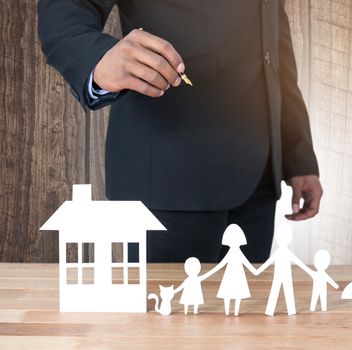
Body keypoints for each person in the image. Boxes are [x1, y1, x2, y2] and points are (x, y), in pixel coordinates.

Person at [37, 0, 323, 263]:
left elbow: (273, 48)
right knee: (168, 316)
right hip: (169, 174)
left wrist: (296, 154)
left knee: (245, 315)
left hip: (258, 181)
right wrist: (98, 60)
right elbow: (68, 6)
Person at [255, 223, 313, 316]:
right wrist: (257, 271)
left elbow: (298, 262)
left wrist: (310, 271)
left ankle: (288, 310)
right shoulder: (281, 252)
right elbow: (269, 262)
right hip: (279, 276)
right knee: (278, 291)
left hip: (285, 275)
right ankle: (273, 311)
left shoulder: (284, 252)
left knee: (285, 291)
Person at [201, 224, 257, 316]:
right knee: (228, 293)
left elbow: (245, 263)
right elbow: (222, 264)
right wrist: (207, 274)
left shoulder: (237, 252)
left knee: (237, 293)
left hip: (238, 275)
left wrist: (255, 271)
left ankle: (235, 312)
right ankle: (228, 311)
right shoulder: (233, 252)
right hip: (230, 275)